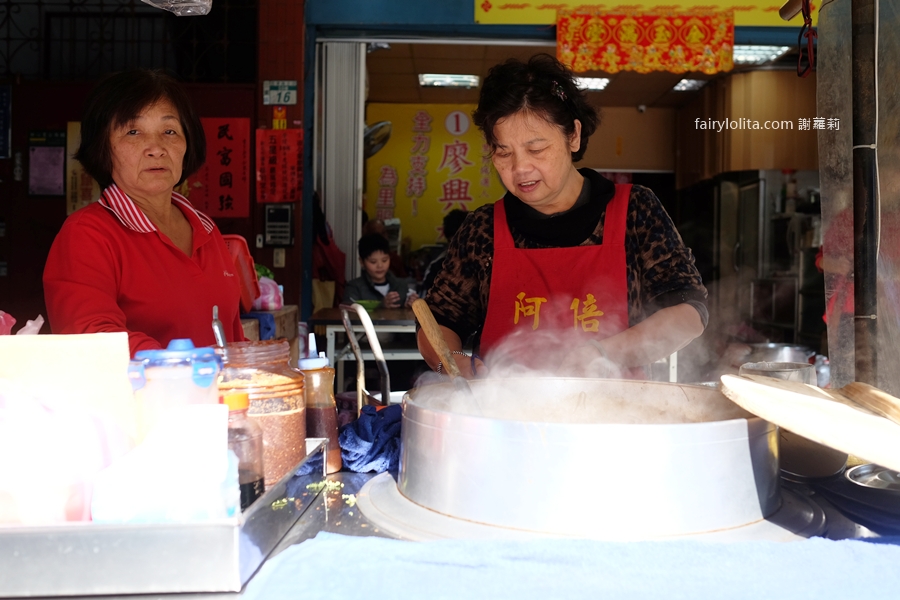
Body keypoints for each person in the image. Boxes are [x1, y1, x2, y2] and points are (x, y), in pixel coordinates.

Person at [418, 54, 708, 378]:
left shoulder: (635, 211)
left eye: (536, 149)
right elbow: (437, 320)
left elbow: (688, 313)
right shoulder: (483, 229)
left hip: (618, 416)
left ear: (573, 136)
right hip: (501, 418)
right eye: (503, 151)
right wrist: (452, 361)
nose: (519, 168)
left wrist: (602, 354)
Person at [43, 69, 244, 356]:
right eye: (133, 132)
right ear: (103, 147)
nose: (156, 148)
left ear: (188, 144)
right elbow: (91, 339)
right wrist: (185, 366)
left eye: (169, 131)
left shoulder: (205, 228)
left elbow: (230, 338)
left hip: (214, 399)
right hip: (141, 399)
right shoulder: (87, 234)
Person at [343, 234, 417, 308]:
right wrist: (381, 305)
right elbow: (349, 311)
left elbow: (406, 315)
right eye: (373, 262)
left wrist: (409, 306)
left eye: (384, 260)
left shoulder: (401, 285)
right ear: (362, 262)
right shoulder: (355, 287)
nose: (380, 266)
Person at [420, 209, 468, 295]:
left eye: (460, 242)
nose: (456, 247)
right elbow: (427, 297)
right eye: (451, 242)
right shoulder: (437, 266)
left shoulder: (484, 263)